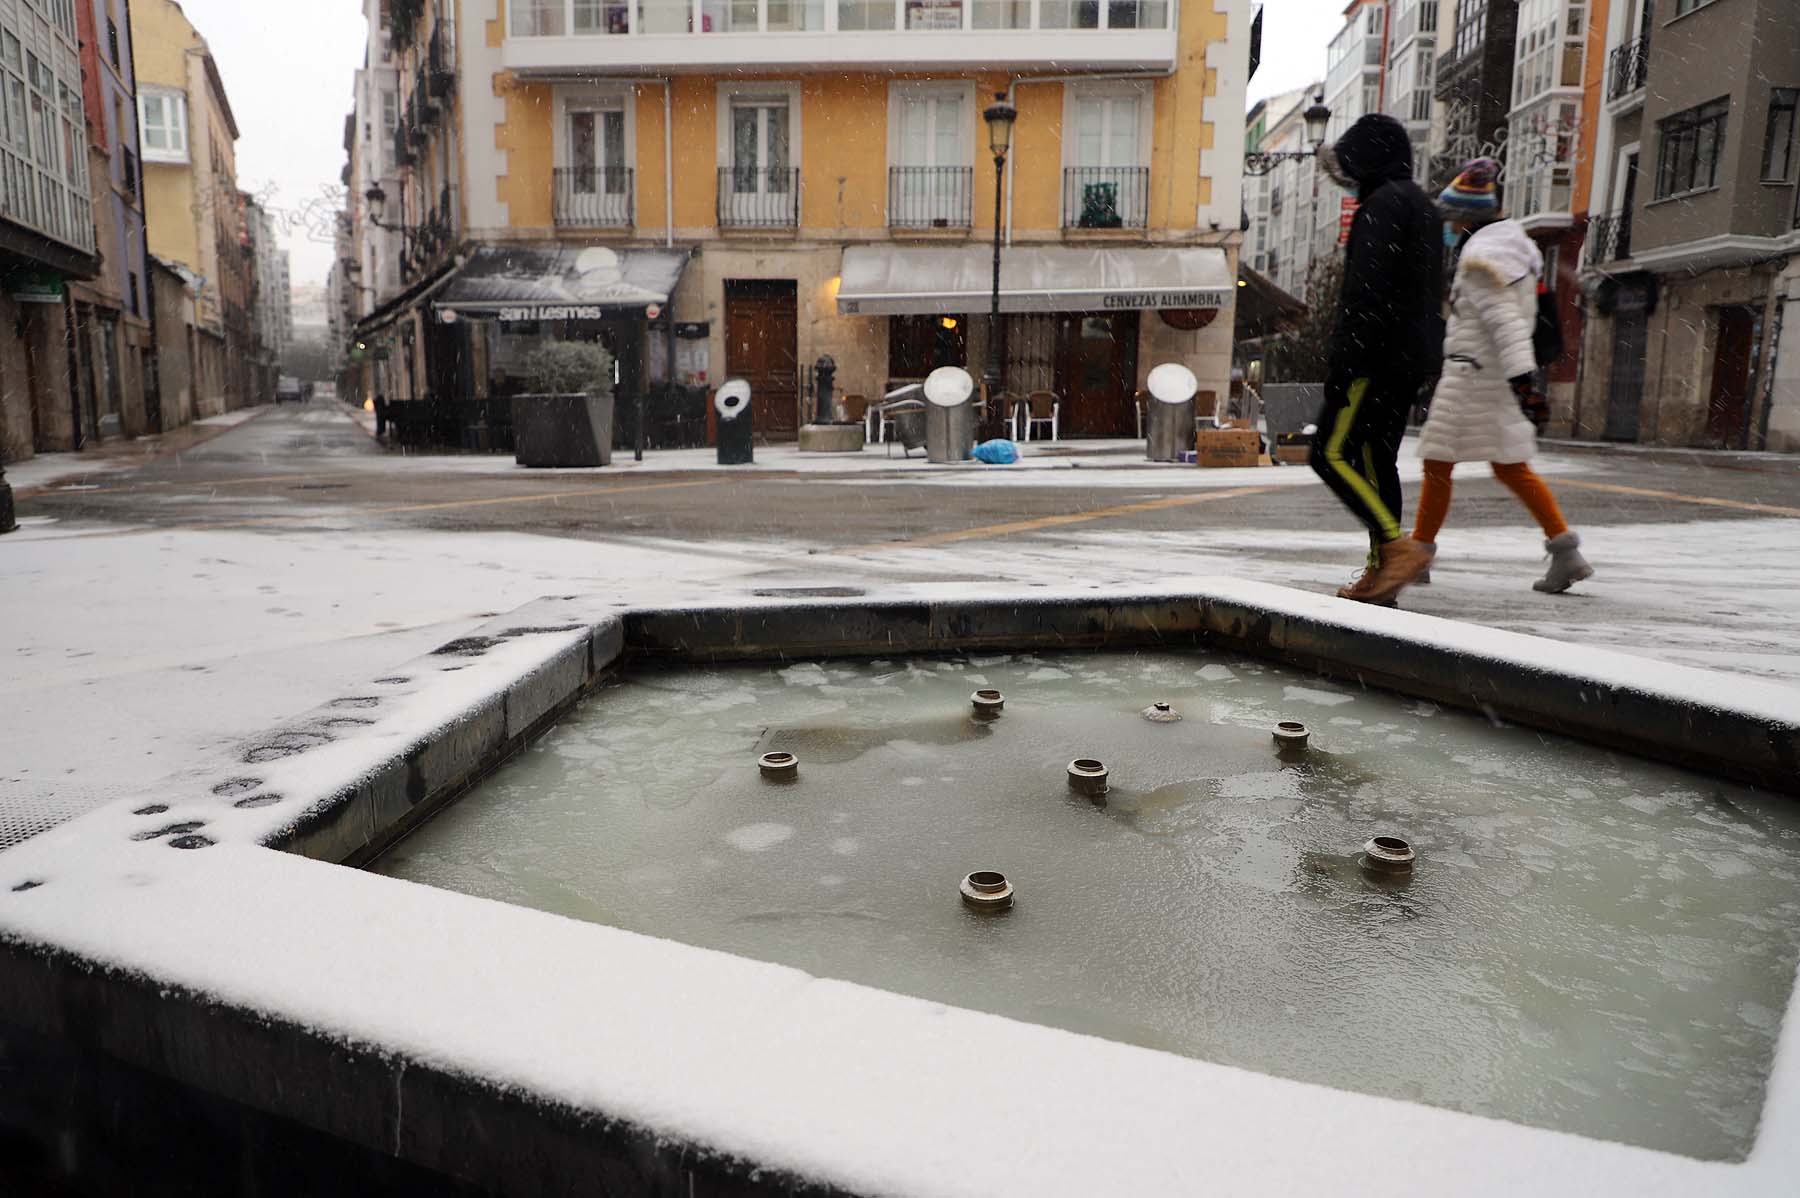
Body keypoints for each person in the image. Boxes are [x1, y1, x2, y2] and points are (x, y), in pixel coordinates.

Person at [1380, 158, 1594, 602]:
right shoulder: (1515, 252)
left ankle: (1418, 552)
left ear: (1466, 219)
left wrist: (1524, 386)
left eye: (1453, 219)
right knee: (1510, 466)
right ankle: (1565, 551)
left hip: (1471, 378)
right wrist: (1519, 384)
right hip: (1490, 377)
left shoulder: (1482, 262)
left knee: (1439, 464)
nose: (1449, 228)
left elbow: (1508, 326)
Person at [1309, 113, 1444, 603]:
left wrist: (1343, 368)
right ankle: (1380, 574)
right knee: (1375, 458)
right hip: (1410, 357)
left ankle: (1394, 548)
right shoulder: (1422, 206)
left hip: (1377, 357)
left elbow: (1364, 295)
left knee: (1328, 453)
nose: (1348, 176)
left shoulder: (1381, 206)